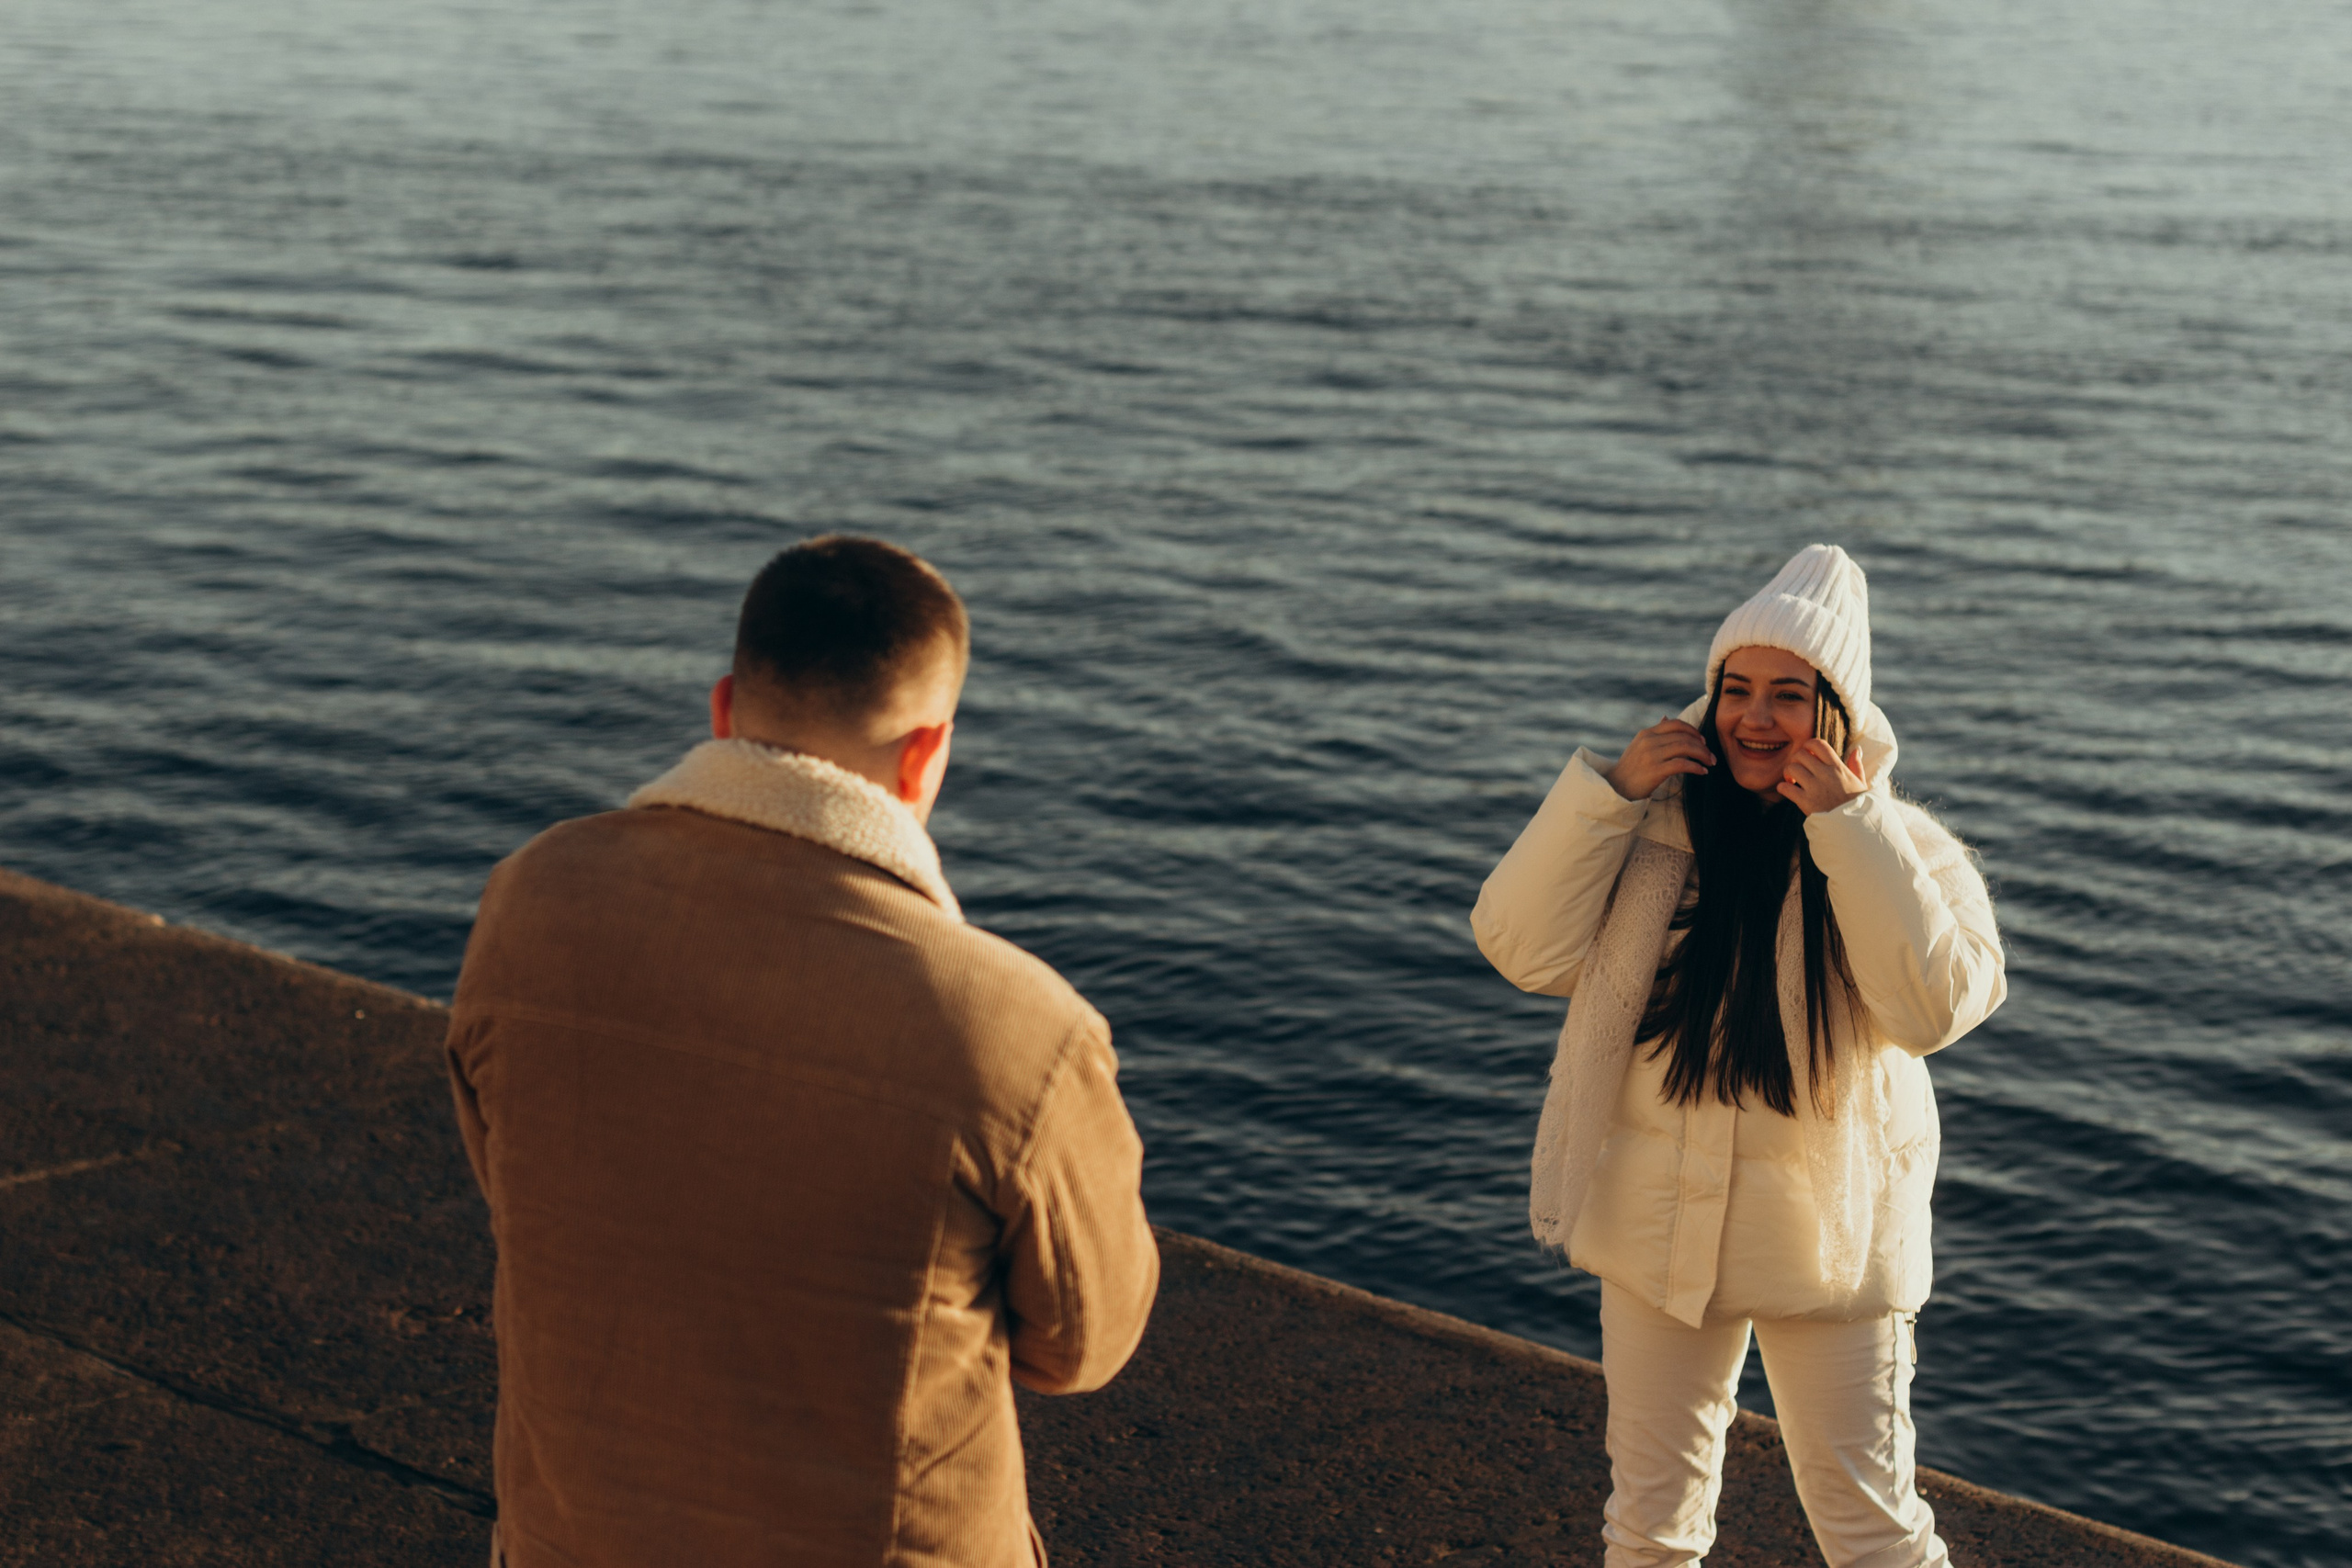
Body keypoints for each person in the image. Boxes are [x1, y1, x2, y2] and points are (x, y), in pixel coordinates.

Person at [447, 536, 1159, 1568]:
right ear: (925, 755)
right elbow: (1081, 1346)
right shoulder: (1016, 1029)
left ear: (725, 707)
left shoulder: (531, 899)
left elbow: (507, 1179)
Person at [1472, 544, 2006, 1568]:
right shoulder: (1653, 832)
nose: (1755, 718)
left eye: (1789, 696)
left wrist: (1848, 826)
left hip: (1831, 1251)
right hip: (1653, 1227)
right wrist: (1608, 795)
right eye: (1736, 690)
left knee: (1869, 1529)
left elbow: (1931, 1008)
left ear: (1839, 716)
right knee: (1649, 1527)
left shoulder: (1906, 849)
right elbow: (1521, 948)